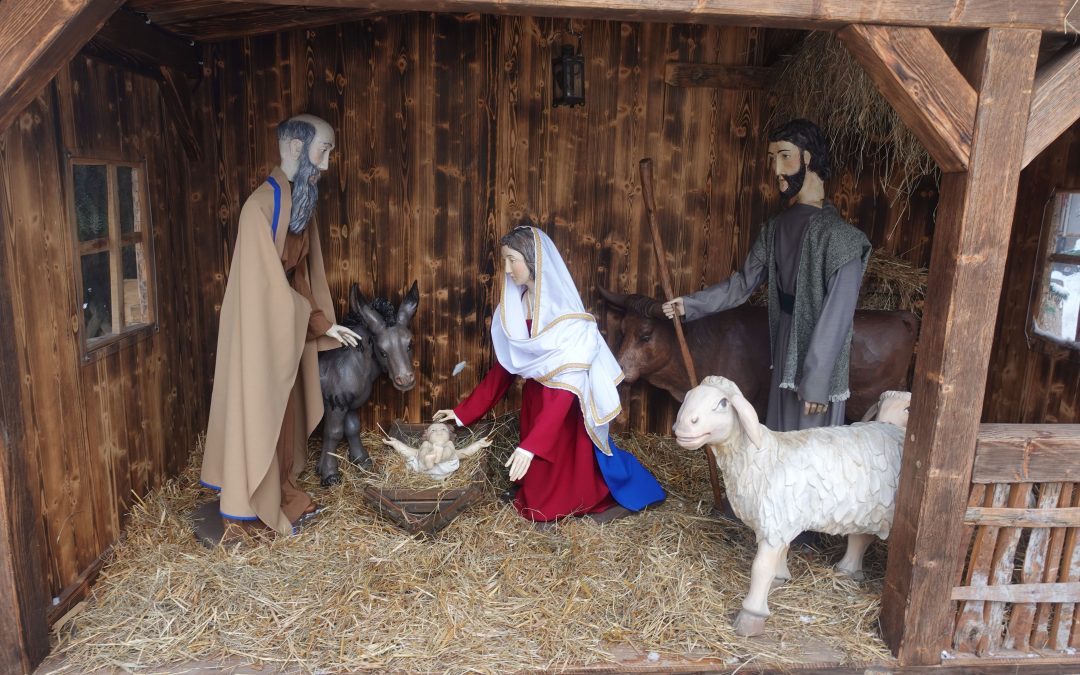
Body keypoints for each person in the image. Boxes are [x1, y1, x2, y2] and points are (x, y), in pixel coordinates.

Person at [435, 224, 665, 523]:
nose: (506, 269)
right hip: (536, 403)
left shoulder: (566, 319)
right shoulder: (516, 307)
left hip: (565, 412)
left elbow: (564, 392)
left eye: (511, 259)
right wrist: (463, 413)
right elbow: (505, 369)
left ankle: (589, 495)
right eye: (504, 260)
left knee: (553, 495)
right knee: (535, 488)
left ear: (533, 261)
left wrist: (531, 446)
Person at [201, 114, 362, 537]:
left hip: (286, 329)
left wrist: (322, 324)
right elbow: (266, 287)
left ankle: (285, 490)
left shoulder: (299, 200)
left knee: (284, 414)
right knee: (262, 411)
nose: (326, 165)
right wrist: (310, 320)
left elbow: (301, 277)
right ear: (295, 147)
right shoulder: (259, 208)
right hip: (262, 332)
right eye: (323, 152)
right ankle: (252, 501)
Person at [663, 119, 871, 431]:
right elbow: (742, 284)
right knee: (781, 437)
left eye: (784, 156)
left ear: (808, 158)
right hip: (786, 339)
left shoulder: (842, 239)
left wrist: (816, 380)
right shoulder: (775, 228)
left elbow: (837, 317)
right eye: (772, 159)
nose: (776, 170)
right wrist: (690, 305)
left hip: (820, 351)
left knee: (814, 447)